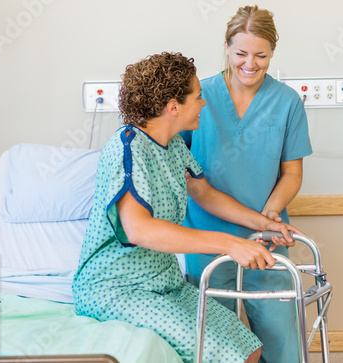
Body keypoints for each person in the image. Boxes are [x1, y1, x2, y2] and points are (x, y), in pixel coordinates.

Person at [72, 52, 301, 363]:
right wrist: (229, 244)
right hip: (118, 289)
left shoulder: (173, 144)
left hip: (165, 283)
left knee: (250, 349)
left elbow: (203, 192)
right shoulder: (128, 147)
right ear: (174, 106)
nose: (204, 104)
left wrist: (264, 223)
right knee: (226, 355)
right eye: (198, 97)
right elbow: (139, 229)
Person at [181, 5, 313, 363]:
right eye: (241, 54)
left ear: (272, 53)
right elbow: (192, 182)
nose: (250, 64)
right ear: (226, 47)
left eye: (261, 55)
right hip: (207, 238)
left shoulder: (286, 102)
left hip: (266, 239)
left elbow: (292, 173)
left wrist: (270, 215)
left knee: (280, 339)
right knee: (215, 345)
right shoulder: (197, 99)